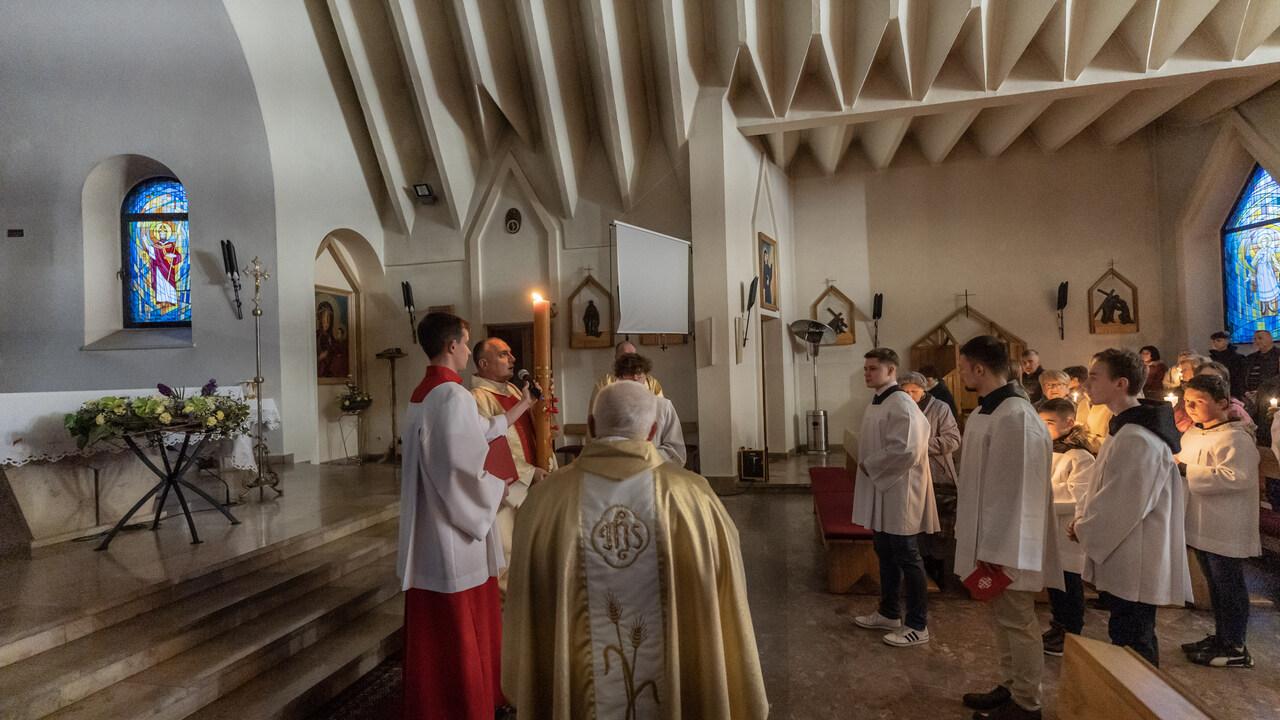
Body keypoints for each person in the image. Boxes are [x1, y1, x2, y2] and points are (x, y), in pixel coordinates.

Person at [502, 381, 768, 719]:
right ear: (653, 431)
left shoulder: (546, 500)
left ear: (591, 426)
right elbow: (724, 592)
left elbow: (526, 603)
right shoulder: (695, 498)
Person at [398, 312, 534, 719]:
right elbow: (460, 469)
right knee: (463, 620)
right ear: (453, 345)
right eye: (465, 341)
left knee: (437, 628)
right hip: (454, 529)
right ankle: (467, 704)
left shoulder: (425, 393)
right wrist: (499, 488)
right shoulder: (453, 396)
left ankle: (439, 704)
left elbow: (479, 430)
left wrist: (523, 405)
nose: (467, 351)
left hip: (431, 522)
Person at [954, 336, 1061, 720]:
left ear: (979, 368)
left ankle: (1027, 703)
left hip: (1010, 543)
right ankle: (1010, 685)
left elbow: (1018, 493)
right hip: (990, 539)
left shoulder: (1016, 417)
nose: (961, 374)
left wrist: (995, 550)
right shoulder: (991, 411)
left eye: (963, 367)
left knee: (1018, 621)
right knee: (1003, 619)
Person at [1069, 349, 1191, 668]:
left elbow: (1124, 503)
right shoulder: (1125, 428)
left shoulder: (1137, 437)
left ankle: (1142, 697)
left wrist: (1083, 527)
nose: (1086, 385)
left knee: (1134, 641)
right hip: (1126, 550)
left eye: (1094, 377)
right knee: (1125, 633)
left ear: (1121, 383)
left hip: (1136, 555)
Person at [851, 351, 939, 648]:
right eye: (866, 368)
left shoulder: (901, 402)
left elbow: (907, 449)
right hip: (884, 489)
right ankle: (889, 613)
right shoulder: (879, 401)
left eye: (873, 368)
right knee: (885, 551)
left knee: (907, 556)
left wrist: (871, 465)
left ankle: (917, 624)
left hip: (902, 491)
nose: (867, 373)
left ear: (891, 371)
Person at [1177, 374, 1260, 669]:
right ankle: (1221, 637)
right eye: (1187, 401)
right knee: (1214, 584)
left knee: (1229, 586)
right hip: (1201, 523)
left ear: (1223, 403)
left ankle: (1236, 646)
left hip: (1226, 525)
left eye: (1198, 401)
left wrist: (1187, 469)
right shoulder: (1194, 433)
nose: (1190, 407)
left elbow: (1237, 477)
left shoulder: (1236, 438)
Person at [471, 337, 554, 595]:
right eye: (503, 354)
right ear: (484, 364)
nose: (513, 359)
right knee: (508, 559)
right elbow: (489, 449)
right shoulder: (477, 398)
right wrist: (530, 473)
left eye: (510, 353)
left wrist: (542, 410)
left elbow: (528, 432)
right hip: (508, 492)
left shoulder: (516, 392)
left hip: (533, 485)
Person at [1036, 399, 1095, 657]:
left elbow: (1080, 499)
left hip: (1066, 530)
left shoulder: (1080, 457)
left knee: (1069, 584)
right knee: (1054, 583)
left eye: (1049, 423)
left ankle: (1071, 632)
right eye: (1040, 422)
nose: (1043, 428)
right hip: (1048, 527)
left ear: (1069, 423)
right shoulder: (1046, 449)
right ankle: (1057, 625)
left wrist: (1045, 502)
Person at [900, 371, 960, 587]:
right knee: (915, 526)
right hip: (909, 476)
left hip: (937, 474)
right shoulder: (899, 408)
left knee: (938, 529)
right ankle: (919, 572)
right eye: (905, 391)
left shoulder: (940, 408)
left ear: (923, 390)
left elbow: (953, 440)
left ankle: (938, 572)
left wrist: (920, 446)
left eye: (914, 391)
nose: (909, 395)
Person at [613, 352, 686, 466]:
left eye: (639, 374)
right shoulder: (610, 408)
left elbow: (676, 452)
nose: (635, 378)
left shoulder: (663, 407)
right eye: (628, 373)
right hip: (620, 472)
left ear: (645, 377)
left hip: (656, 472)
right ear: (619, 378)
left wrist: (643, 457)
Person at [590, 341, 664, 413]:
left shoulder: (651, 382)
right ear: (616, 358)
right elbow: (595, 413)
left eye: (632, 356)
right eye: (624, 357)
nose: (629, 361)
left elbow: (661, 410)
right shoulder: (605, 383)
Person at [1196, 361, 1256, 433]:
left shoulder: (1235, 411)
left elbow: (1249, 434)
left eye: (1215, 380)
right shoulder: (1191, 407)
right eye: (1204, 379)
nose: (1209, 384)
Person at [1242, 329, 1280, 405]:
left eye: (1260, 338)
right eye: (1255, 339)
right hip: (1251, 397)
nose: (1257, 341)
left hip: (1272, 396)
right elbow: (1242, 376)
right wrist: (1245, 392)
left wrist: (1261, 391)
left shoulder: (1278, 355)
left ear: (1270, 339)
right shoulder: (1250, 358)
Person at [1209, 331, 1246, 399]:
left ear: (1227, 341)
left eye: (1218, 340)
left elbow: (1240, 377)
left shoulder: (1237, 358)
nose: (1215, 343)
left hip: (1234, 389)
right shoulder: (1211, 358)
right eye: (1214, 341)